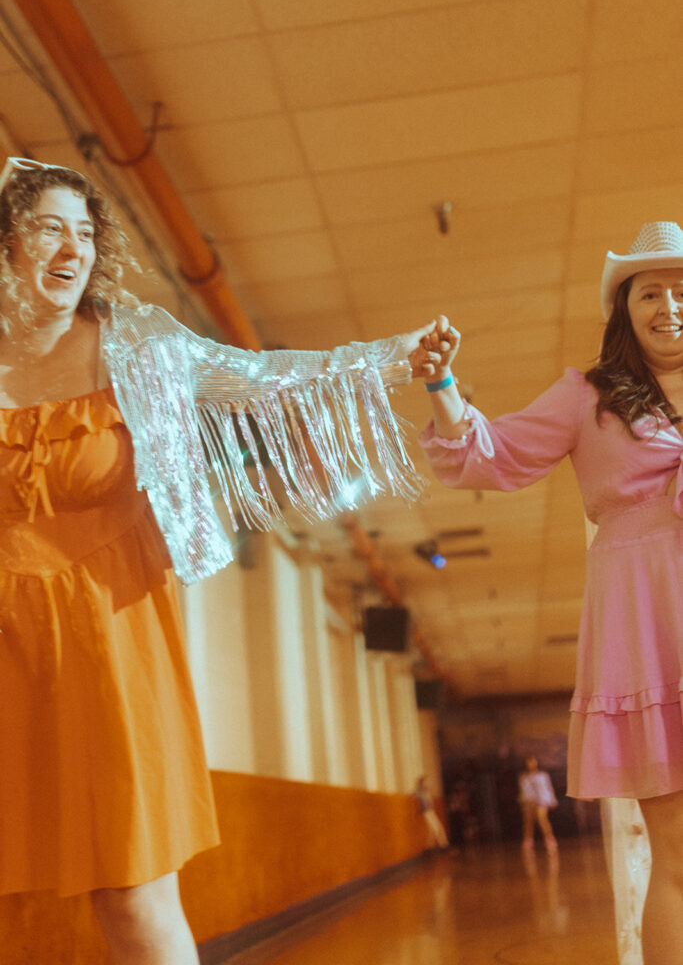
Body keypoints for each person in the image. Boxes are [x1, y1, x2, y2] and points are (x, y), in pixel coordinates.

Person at [0, 156, 445, 965]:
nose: (71, 248)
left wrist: (389, 357)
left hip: (109, 639)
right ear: (6, 246)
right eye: (46, 228)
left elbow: (265, 377)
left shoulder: (134, 347)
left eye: (83, 233)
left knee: (131, 897)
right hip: (8, 646)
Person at [413, 220, 683, 965]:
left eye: (681, 289)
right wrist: (441, 387)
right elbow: (486, 456)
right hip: (647, 622)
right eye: (650, 291)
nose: (669, 304)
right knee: (680, 858)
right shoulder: (587, 396)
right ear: (624, 309)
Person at [518, 755, 558, 854]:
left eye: (533, 761)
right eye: (529, 761)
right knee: (528, 821)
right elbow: (523, 791)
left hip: (542, 801)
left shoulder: (543, 775)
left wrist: (551, 800)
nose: (531, 764)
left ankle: (549, 839)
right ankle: (528, 840)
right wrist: (527, 801)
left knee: (542, 818)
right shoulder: (524, 777)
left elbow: (548, 788)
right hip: (529, 802)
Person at [413, 775, 449, 850]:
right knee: (436, 828)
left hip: (430, 811)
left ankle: (428, 847)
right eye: (427, 782)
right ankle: (444, 846)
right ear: (422, 783)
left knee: (434, 829)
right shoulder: (419, 791)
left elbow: (429, 803)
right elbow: (414, 795)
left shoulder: (426, 791)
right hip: (426, 812)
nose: (429, 783)